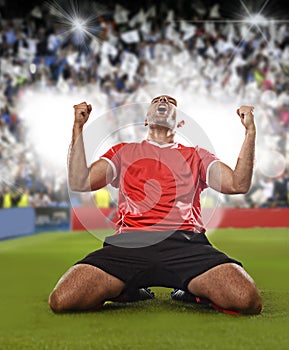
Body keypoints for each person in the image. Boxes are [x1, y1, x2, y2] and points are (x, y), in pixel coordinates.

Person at [48, 95, 262, 315]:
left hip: (186, 242)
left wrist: (250, 133)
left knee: (246, 299)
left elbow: (238, 184)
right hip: (129, 243)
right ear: (145, 120)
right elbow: (80, 181)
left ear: (180, 123)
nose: (162, 100)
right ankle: (127, 289)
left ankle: (192, 291)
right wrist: (78, 127)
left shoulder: (196, 155)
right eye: (157, 100)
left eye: (170, 102)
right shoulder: (123, 151)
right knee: (63, 299)